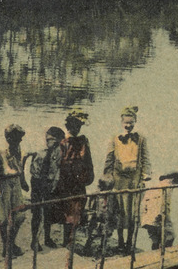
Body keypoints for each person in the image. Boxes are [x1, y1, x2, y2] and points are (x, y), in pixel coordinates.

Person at [104, 105, 151, 252]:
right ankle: (120, 241)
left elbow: (145, 158)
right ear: (121, 122)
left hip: (134, 180)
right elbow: (109, 159)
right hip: (119, 179)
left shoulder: (141, 139)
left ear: (135, 122)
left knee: (132, 213)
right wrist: (107, 175)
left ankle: (130, 242)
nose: (128, 125)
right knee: (120, 212)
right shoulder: (115, 139)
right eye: (126, 123)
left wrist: (146, 175)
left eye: (131, 122)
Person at [54, 109, 94, 247]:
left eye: (79, 126)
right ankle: (67, 240)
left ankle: (71, 239)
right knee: (67, 210)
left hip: (79, 181)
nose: (76, 129)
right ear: (68, 126)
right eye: (73, 126)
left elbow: (88, 161)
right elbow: (57, 163)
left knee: (77, 210)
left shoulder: (82, 142)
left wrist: (88, 176)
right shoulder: (62, 143)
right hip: (66, 181)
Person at [0, 124, 28, 258]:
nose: (19, 141)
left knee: (19, 216)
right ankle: (6, 248)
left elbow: (21, 168)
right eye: (16, 138)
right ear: (8, 138)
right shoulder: (0, 153)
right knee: (4, 218)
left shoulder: (19, 151)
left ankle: (11, 243)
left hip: (16, 183)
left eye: (20, 138)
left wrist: (23, 182)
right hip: (4, 184)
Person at [28, 126, 64, 250]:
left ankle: (47, 238)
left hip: (49, 182)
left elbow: (58, 169)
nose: (50, 142)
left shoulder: (59, 152)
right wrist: (22, 178)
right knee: (36, 212)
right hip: (37, 181)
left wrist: (55, 183)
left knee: (48, 211)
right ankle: (34, 241)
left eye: (53, 139)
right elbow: (25, 156)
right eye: (48, 139)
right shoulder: (39, 150)